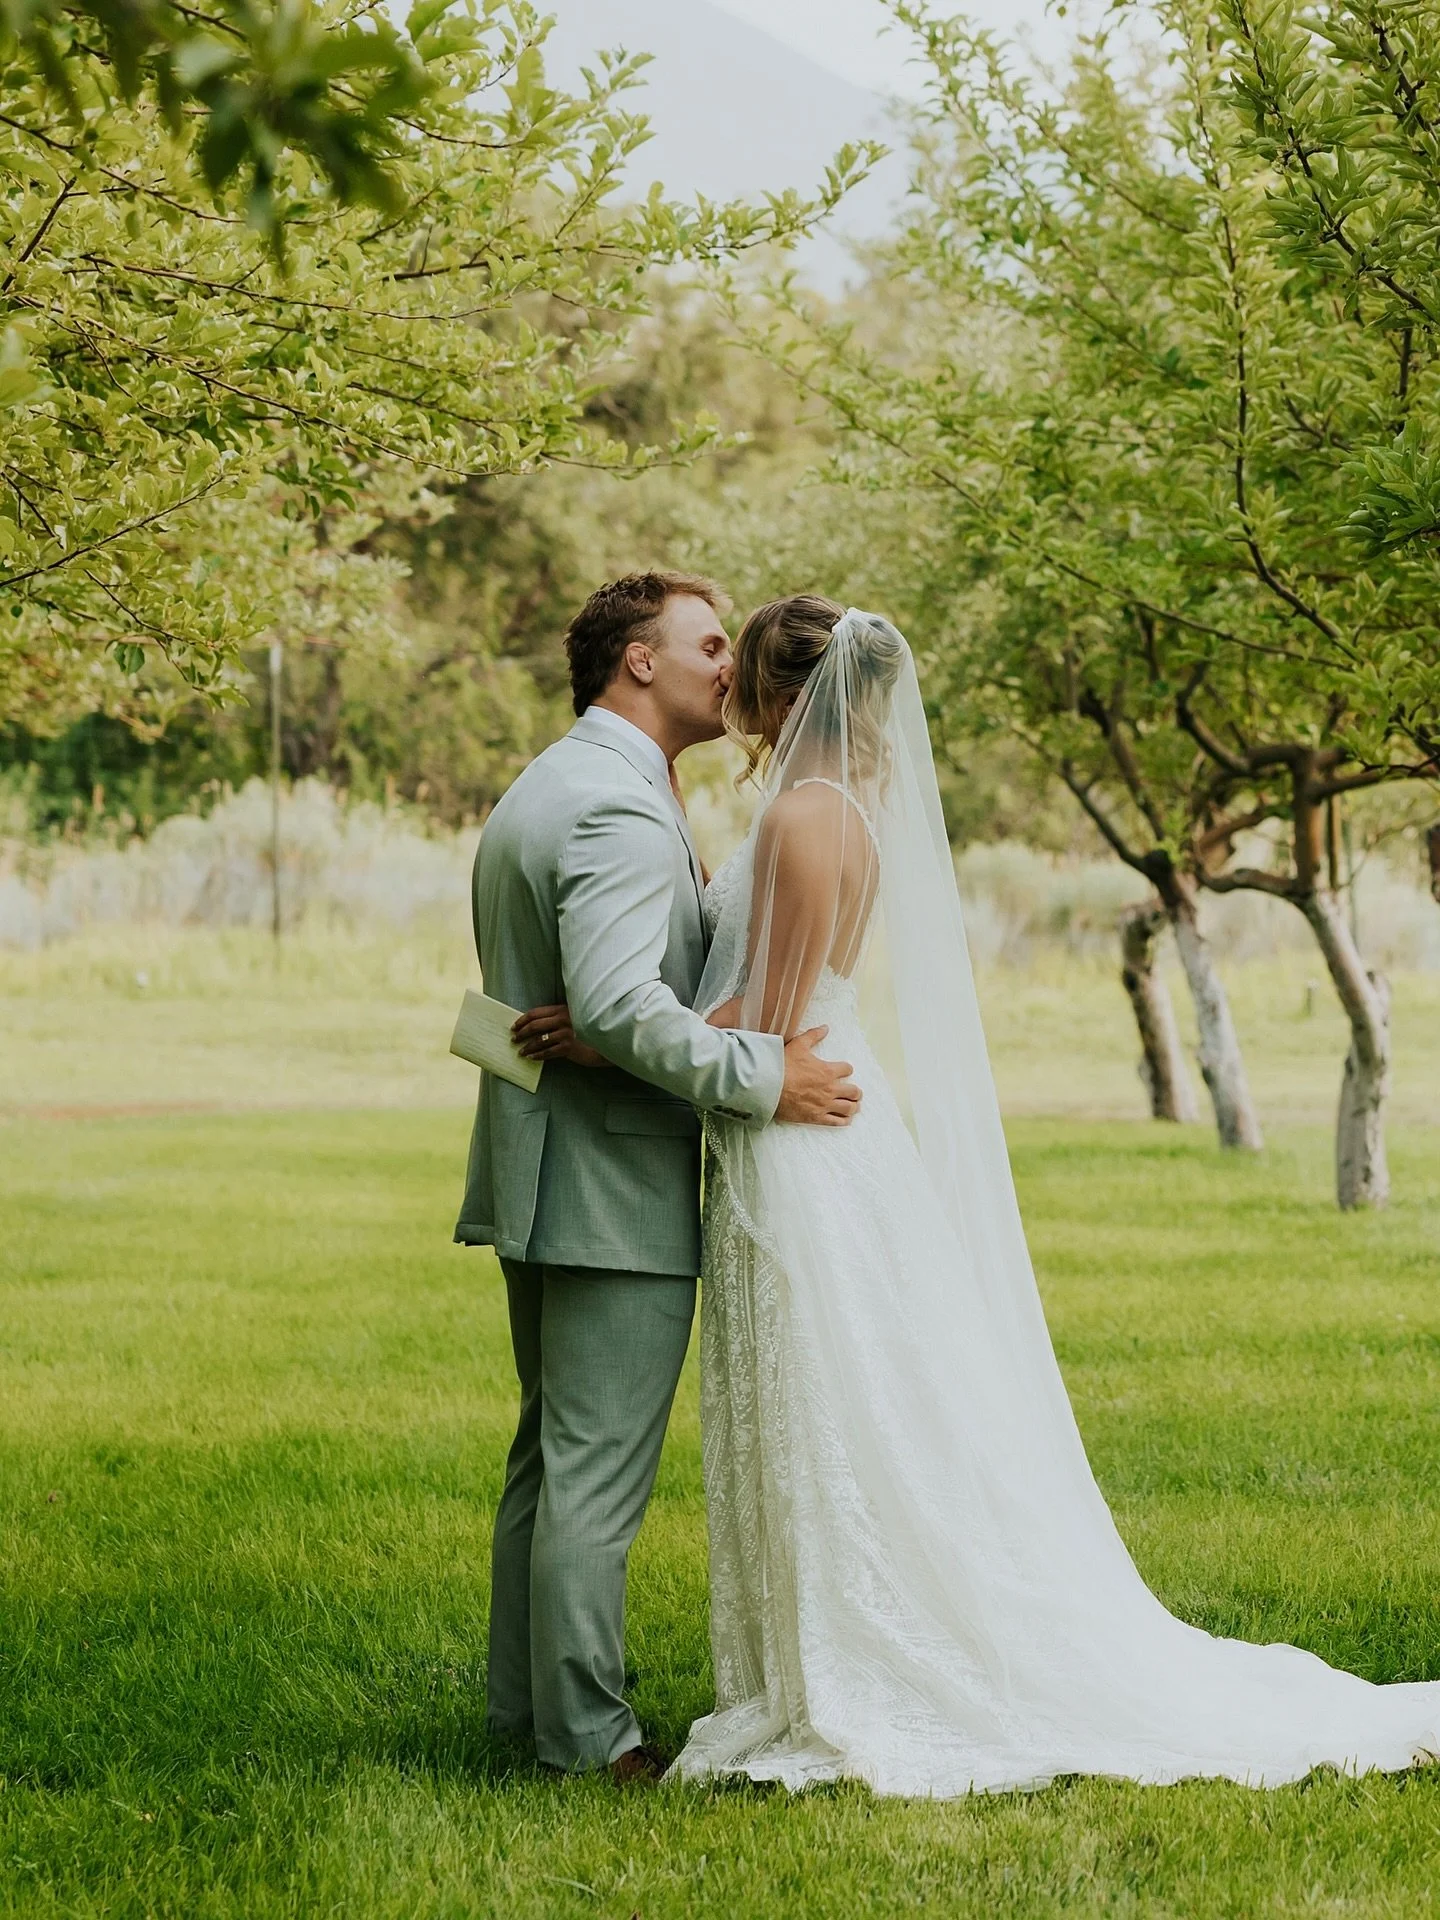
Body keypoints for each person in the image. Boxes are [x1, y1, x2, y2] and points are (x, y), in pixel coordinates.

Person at [666, 593, 1440, 1796]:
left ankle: (865, 1662)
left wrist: (617, 1035)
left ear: (779, 697)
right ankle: (825, 1648)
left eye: (740, 675)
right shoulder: (837, 809)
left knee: (835, 1389)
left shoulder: (807, 817)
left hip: (805, 1128)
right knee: (846, 1390)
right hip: (830, 1108)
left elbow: (760, 1027)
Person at [454, 571, 860, 1785]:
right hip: (611, 1183)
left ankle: (525, 1713)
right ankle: (585, 1743)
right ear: (638, 661)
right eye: (705, 639)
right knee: (592, 1471)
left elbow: (592, 999)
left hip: (546, 1160)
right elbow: (627, 1007)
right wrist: (762, 1077)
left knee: (550, 1457)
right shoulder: (622, 810)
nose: (728, 661)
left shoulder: (560, 779)